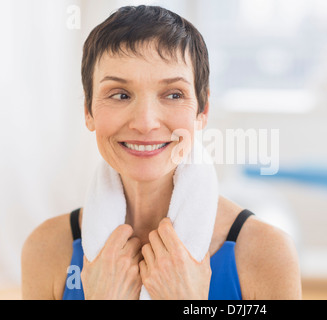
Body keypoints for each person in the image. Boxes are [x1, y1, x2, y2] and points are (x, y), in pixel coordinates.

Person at [21, 5, 301, 300]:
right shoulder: (47, 250)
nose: (145, 123)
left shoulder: (266, 253)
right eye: (120, 95)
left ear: (202, 110)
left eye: (173, 95)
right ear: (88, 111)